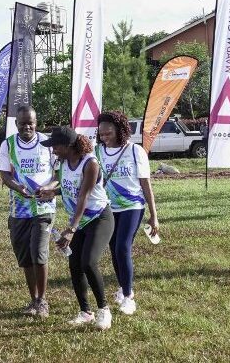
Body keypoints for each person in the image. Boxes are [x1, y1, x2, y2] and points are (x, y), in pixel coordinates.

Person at [39, 126, 114, 330]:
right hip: (78, 220)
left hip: (99, 218)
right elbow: (69, 188)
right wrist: (52, 193)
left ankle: (104, 310)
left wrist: (71, 229)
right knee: (74, 265)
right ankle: (85, 312)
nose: (53, 150)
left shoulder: (90, 163)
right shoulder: (64, 162)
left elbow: (84, 195)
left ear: (68, 146)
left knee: (89, 262)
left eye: (55, 146)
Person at [95, 111, 158, 316]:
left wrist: (153, 214)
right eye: (102, 134)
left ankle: (129, 297)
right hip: (108, 207)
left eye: (109, 133)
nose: (105, 137)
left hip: (132, 206)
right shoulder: (98, 152)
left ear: (120, 130)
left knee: (123, 247)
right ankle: (122, 288)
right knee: (114, 248)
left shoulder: (135, 151)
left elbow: (145, 183)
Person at [0, 105, 55, 318]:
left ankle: (42, 301)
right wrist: (17, 187)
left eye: (31, 123)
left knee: (38, 254)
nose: (27, 126)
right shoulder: (8, 145)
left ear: (36, 123)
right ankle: (33, 299)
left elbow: (59, 173)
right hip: (18, 210)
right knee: (26, 258)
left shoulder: (48, 143)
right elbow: (4, 175)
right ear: (16, 124)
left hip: (43, 208)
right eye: (23, 123)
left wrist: (49, 188)